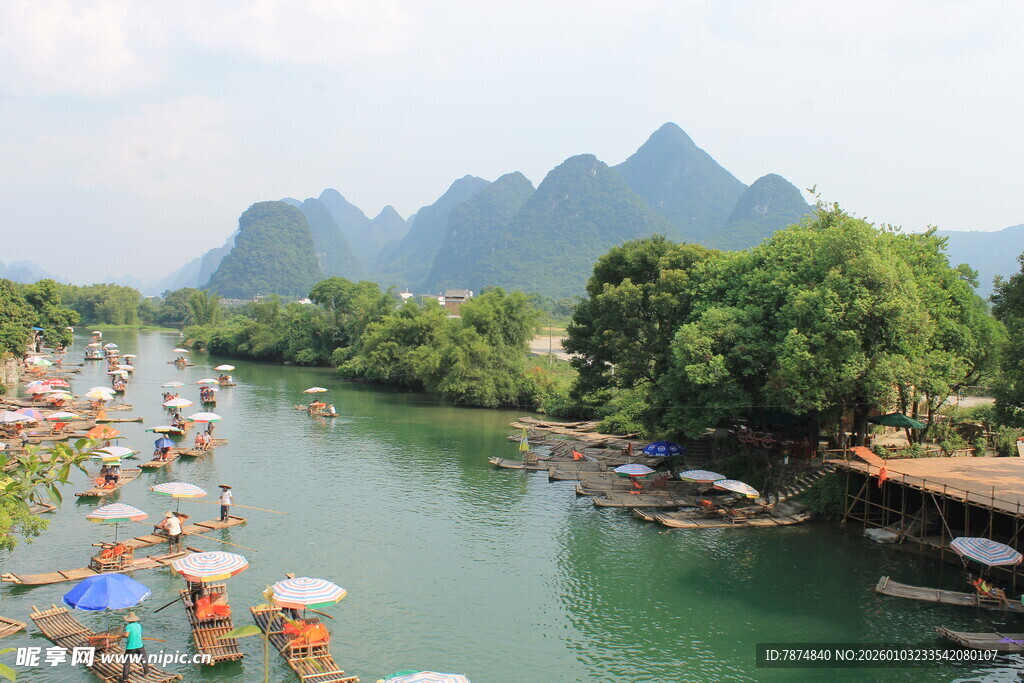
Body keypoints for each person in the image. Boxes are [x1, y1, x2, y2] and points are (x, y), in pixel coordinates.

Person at [120, 612, 152, 682]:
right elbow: (138, 633)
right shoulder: (139, 625)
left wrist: (121, 635)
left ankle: (125, 678)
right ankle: (147, 672)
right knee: (143, 659)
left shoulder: (128, 627)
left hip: (130, 647)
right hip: (140, 645)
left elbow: (126, 635)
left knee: (127, 662)